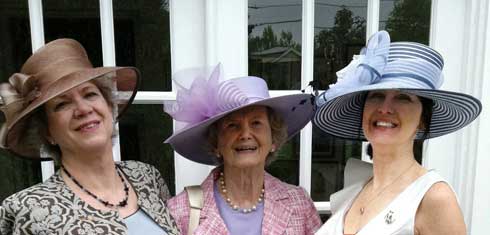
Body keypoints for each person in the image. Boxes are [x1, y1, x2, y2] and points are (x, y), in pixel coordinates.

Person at [0, 38, 179, 234]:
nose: (83, 109)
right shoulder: (29, 210)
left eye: (90, 94)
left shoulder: (146, 177)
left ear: (110, 107)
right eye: (62, 104)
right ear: (47, 131)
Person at [313, 31, 482, 235]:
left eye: (403, 97)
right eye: (376, 95)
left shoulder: (433, 198)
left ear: (422, 120)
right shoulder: (357, 187)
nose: (385, 108)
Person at [164, 64, 322, 234]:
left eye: (256, 123)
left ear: (273, 139)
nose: (245, 134)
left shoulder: (299, 204)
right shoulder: (181, 211)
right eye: (232, 125)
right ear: (216, 143)